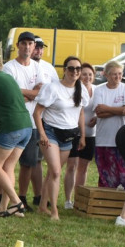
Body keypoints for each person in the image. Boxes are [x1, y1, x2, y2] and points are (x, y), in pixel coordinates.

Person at [33, 55, 89, 220]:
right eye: (71, 68)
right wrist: (42, 133)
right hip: (50, 132)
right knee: (56, 172)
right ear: (64, 70)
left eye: (78, 69)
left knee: (52, 173)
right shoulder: (52, 88)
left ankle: (43, 206)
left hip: (69, 134)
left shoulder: (81, 90)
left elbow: (80, 112)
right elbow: (37, 112)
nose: (74, 72)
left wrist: (83, 135)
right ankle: (54, 212)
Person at [5, 32, 57, 209]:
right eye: (24, 43)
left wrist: (24, 94)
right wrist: (32, 94)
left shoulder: (38, 68)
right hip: (15, 120)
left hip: (35, 123)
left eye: (30, 44)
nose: (27, 47)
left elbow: (42, 91)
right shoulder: (9, 68)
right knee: (8, 163)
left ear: (34, 47)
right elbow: (11, 93)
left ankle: (22, 197)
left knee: (29, 163)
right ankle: (5, 198)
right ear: (18, 46)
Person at [0, 50, 32, 217]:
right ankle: (3, 208)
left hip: (11, 127)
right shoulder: (8, 77)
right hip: (26, 127)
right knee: (8, 167)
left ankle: (17, 203)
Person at [91, 61, 125, 190]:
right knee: (106, 177)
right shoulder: (99, 89)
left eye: (120, 74)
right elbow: (99, 113)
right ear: (106, 75)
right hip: (104, 140)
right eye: (114, 74)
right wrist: (120, 110)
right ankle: (105, 205)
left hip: (123, 140)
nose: (117, 77)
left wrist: (108, 108)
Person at [63, 62, 96, 209]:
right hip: (75, 132)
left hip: (91, 134)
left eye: (90, 74)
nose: (87, 77)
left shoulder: (98, 90)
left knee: (83, 168)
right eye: (84, 74)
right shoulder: (74, 89)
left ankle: (79, 199)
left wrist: (97, 118)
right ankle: (68, 199)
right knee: (71, 166)